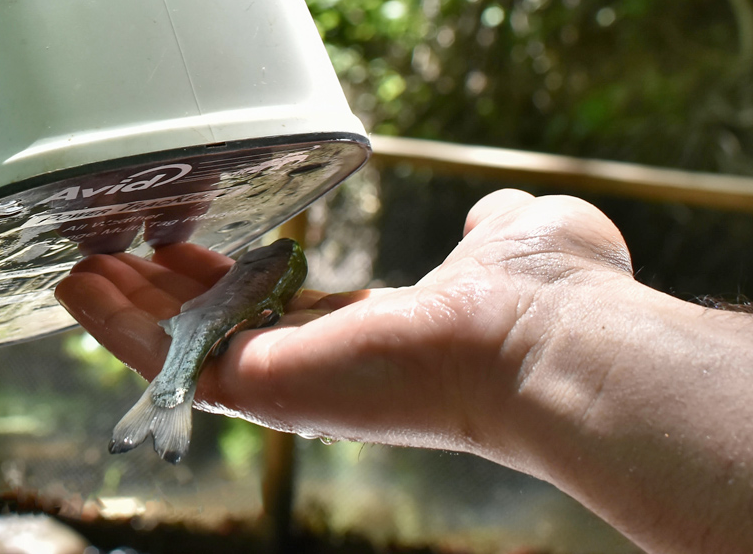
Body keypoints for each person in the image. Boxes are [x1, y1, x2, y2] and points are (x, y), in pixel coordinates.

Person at [55, 188, 753, 554]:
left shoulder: (253, 283)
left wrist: (536, 333)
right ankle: (170, 392)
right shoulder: (262, 280)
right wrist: (536, 333)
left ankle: (166, 394)